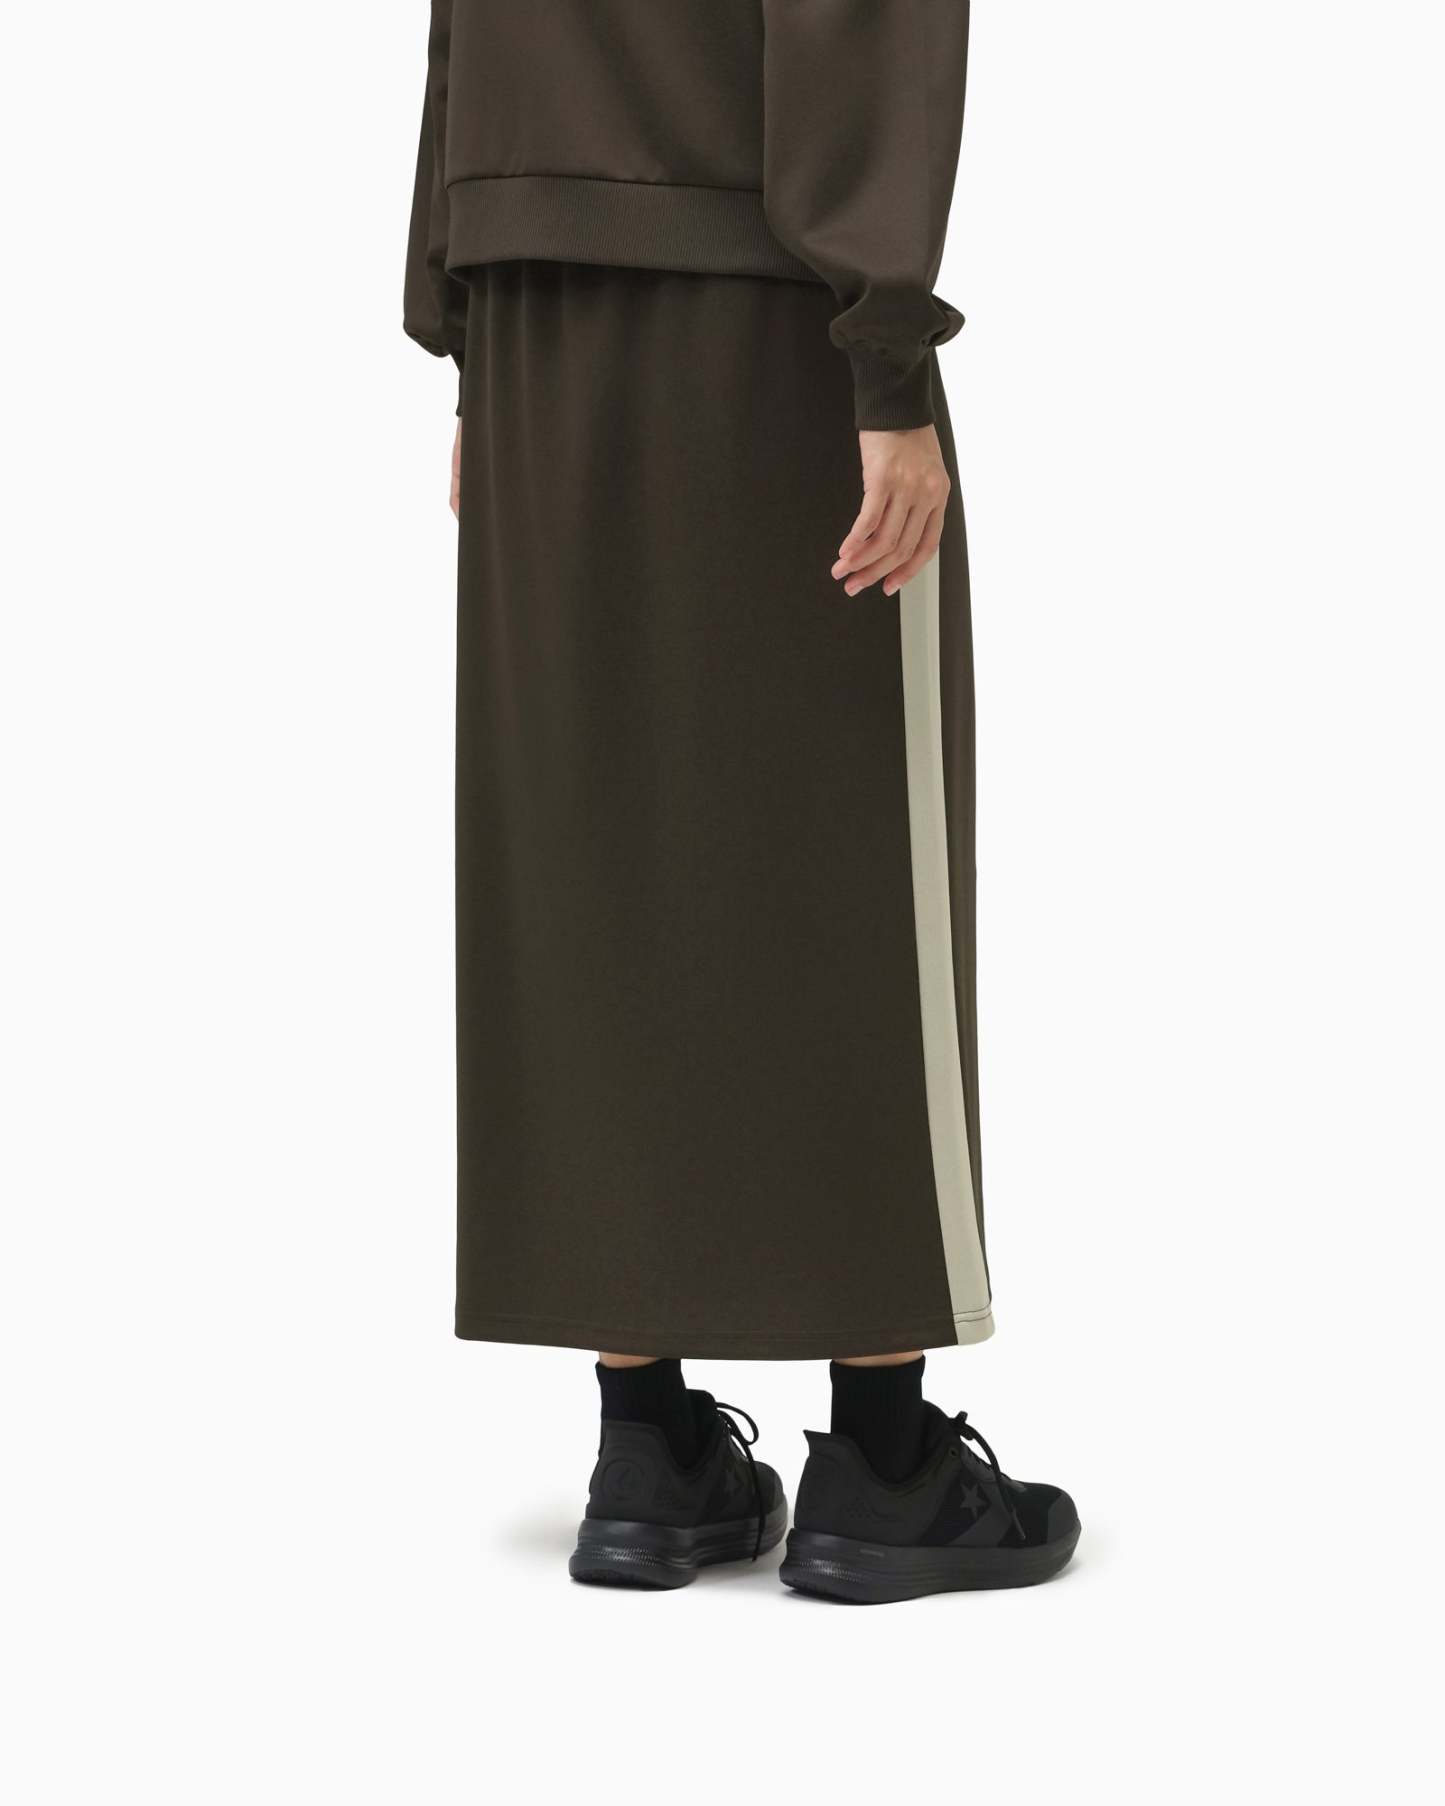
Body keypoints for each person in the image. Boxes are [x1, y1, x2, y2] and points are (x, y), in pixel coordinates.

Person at [404, 0, 1077, 1604]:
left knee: (589, 845)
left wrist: (469, 335)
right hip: (764, 299)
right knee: (843, 847)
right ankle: (883, 1464)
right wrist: (887, 357)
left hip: (532, 291)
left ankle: (647, 1452)